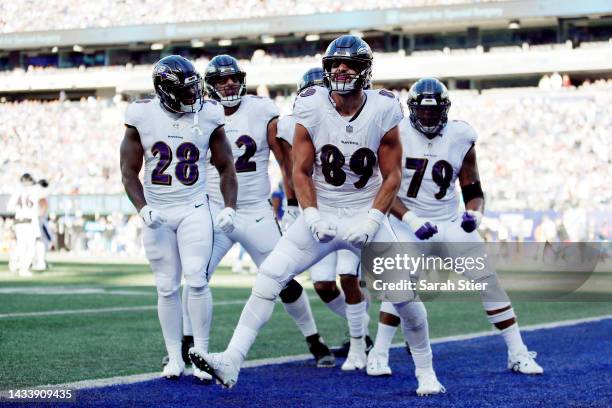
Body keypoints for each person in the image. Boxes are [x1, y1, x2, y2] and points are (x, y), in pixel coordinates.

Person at [190, 35, 433, 394]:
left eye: (349, 64)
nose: (341, 69)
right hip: (324, 214)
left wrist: (373, 220)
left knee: (405, 299)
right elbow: (299, 171)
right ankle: (232, 360)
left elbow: (393, 174)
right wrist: (312, 214)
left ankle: (426, 372)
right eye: (335, 64)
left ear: (365, 70)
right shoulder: (311, 103)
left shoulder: (383, 106)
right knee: (271, 275)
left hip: (365, 213)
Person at [367, 78, 543, 384]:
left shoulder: (462, 135)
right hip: (407, 222)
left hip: (448, 223)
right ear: (412, 111)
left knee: (489, 281)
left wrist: (475, 215)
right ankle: (379, 353)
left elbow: (473, 189)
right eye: (423, 112)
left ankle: (518, 352)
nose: (429, 118)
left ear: (446, 111)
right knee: (399, 286)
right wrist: (410, 220)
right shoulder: (396, 134)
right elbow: (382, 190)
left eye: (434, 113)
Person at [182, 54, 334, 367]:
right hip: (214, 210)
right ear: (210, 86)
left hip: (256, 211)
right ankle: (190, 345)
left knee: (283, 278)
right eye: (222, 79)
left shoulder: (262, 109)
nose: (230, 83)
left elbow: (285, 161)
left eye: (234, 77)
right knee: (196, 277)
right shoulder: (200, 113)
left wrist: (293, 205)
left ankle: (314, 339)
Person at [120, 55, 238, 381]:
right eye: (185, 91)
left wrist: (229, 205)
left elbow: (226, 165)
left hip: (194, 208)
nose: (193, 96)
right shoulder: (141, 115)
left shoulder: (209, 113)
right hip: (157, 210)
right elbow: (129, 171)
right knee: (166, 287)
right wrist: (143, 208)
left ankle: (200, 353)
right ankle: (174, 357)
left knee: (197, 278)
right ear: (166, 91)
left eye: (193, 89)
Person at [276, 67, 373, 353]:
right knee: (323, 286)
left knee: (348, 276)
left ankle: (361, 341)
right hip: (315, 214)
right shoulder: (289, 126)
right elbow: (290, 170)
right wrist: (294, 207)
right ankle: (364, 328)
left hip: (350, 208)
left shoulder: (358, 120)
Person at [7, 173, 40, 277]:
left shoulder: (17, 191)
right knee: (30, 248)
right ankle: (23, 268)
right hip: (29, 221)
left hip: (19, 221)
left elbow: (9, 207)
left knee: (21, 246)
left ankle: (14, 261)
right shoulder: (34, 190)